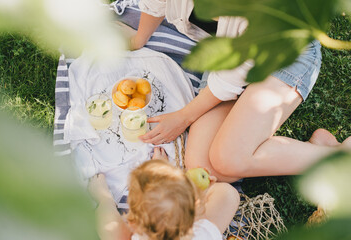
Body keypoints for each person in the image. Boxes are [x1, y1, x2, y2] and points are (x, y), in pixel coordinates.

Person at [129, 0, 351, 182]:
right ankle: (316, 151)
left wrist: (183, 117)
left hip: (283, 55)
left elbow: (230, 79)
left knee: (228, 158)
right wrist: (138, 41)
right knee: (202, 167)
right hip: (230, 56)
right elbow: (155, 3)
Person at [87, 147, 240, 240]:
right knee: (228, 194)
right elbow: (227, 195)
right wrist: (198, 190)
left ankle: (102, 197)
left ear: (133, 224)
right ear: (196, 211)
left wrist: (104, 199)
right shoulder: (202, 234)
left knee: (113, 230)